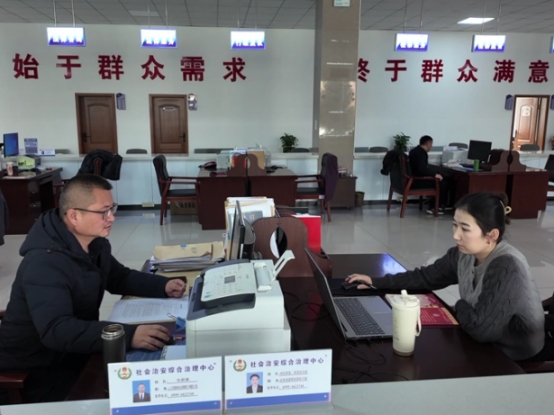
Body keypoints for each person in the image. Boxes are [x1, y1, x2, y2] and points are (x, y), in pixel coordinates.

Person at [0, 174, 186, 403]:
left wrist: (163, 285)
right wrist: (127, 335)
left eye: (112, 209)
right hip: (38, 372)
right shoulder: (44, 263)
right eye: (103, 212)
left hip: (75, 351)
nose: (112, 218)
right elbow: (57, 330)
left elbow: (118, 277)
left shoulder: (93, 243)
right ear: (74, 216)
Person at [346, 192, 545, 361]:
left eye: (465, 229)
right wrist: (376, 282)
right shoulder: (463, 253)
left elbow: (482, 331)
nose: (456, 235)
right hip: (479, 342)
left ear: (492, 235)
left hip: (511, 355)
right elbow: (426, 277)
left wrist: (459, 305)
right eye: (455, 225)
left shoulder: (506, 266)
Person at [408, 135, 449, 214]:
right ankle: (434, 207)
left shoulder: (414, 151)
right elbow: (422, 170)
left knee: (442, 178)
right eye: (431, 144)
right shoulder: (421, 153)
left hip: (414, 179)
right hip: (418, 181)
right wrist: (435, 174)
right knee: (442, 183)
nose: (431, 146)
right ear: (428, 144)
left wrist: (434, 173)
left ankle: (438, 205)